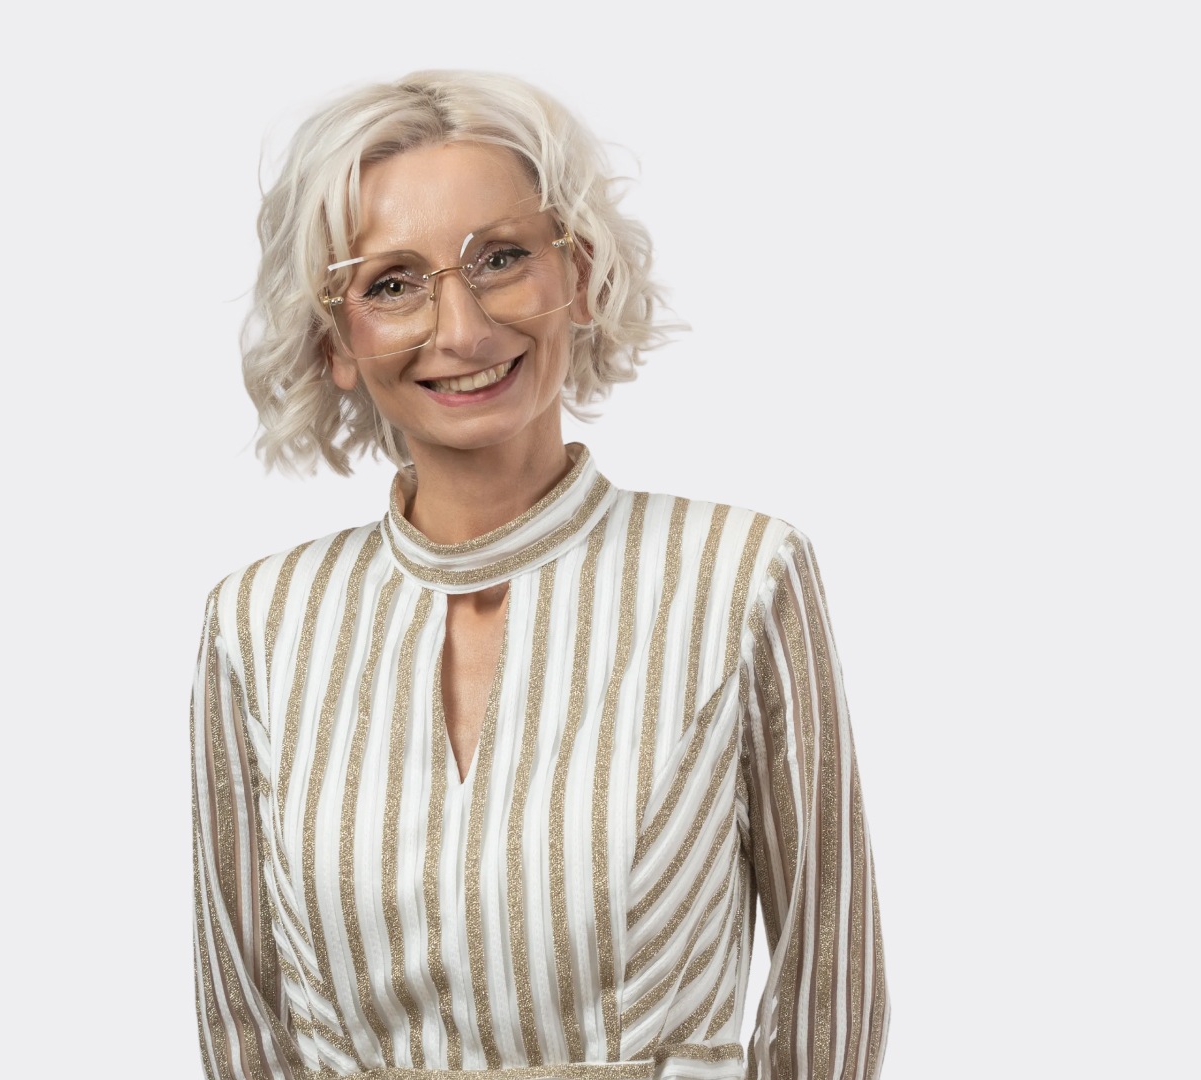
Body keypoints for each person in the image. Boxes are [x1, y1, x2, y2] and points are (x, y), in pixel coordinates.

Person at [189, 70, 889, 1080]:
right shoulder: (259, 624)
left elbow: (831, 994)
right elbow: (242, 1029)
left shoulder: (737, 577)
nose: (462, 329)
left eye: (503, 258)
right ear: (337, 339)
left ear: (582, 275)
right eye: (392, 283)